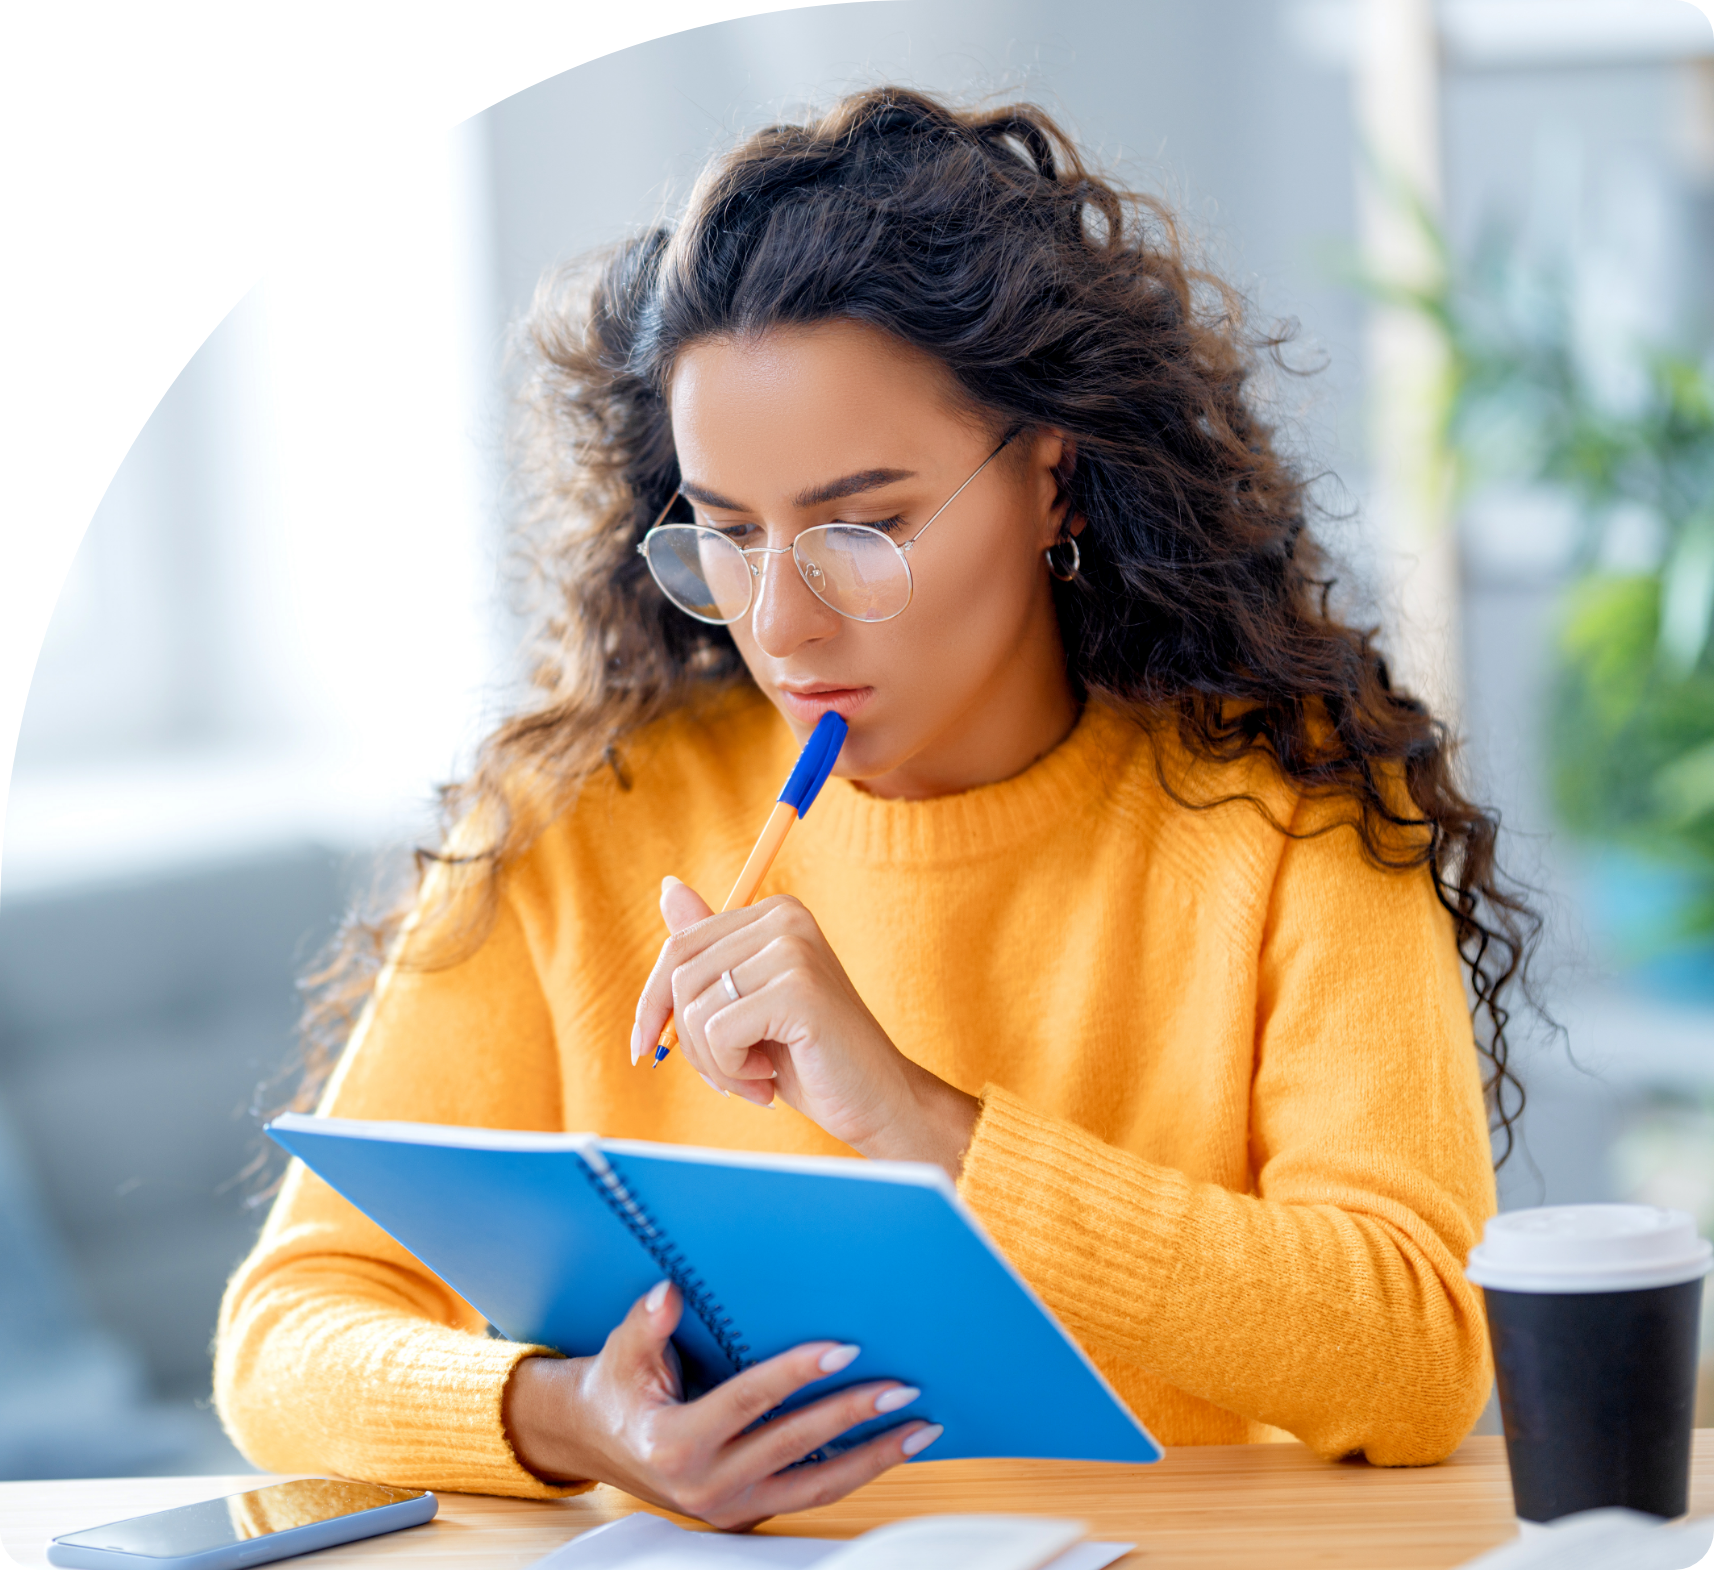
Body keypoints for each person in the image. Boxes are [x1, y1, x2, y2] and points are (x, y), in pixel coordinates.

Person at [214, 88, 1531, 1527]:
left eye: (862, 526)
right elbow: (285, 1331)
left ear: (1051, 480)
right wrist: (575, 1417)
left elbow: (1421, 1356)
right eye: (726, 532)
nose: (780, 626)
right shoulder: (579, 809)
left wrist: (922, 1122)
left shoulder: (1291, 808)